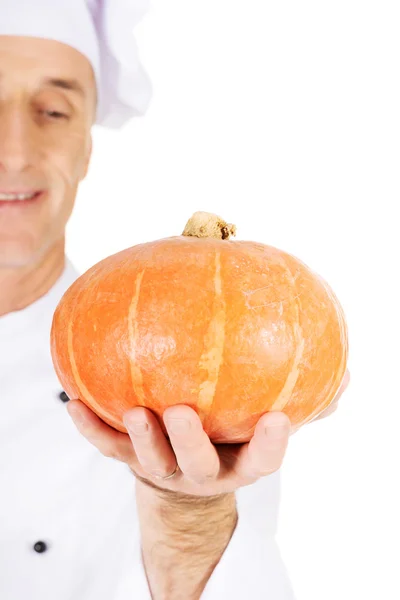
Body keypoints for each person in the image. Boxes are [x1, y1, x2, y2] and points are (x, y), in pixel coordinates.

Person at [0, 1, 349, 598]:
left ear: (87, 148)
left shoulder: (198, 371)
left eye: (54, 111)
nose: (13, 152)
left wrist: (189, 520)